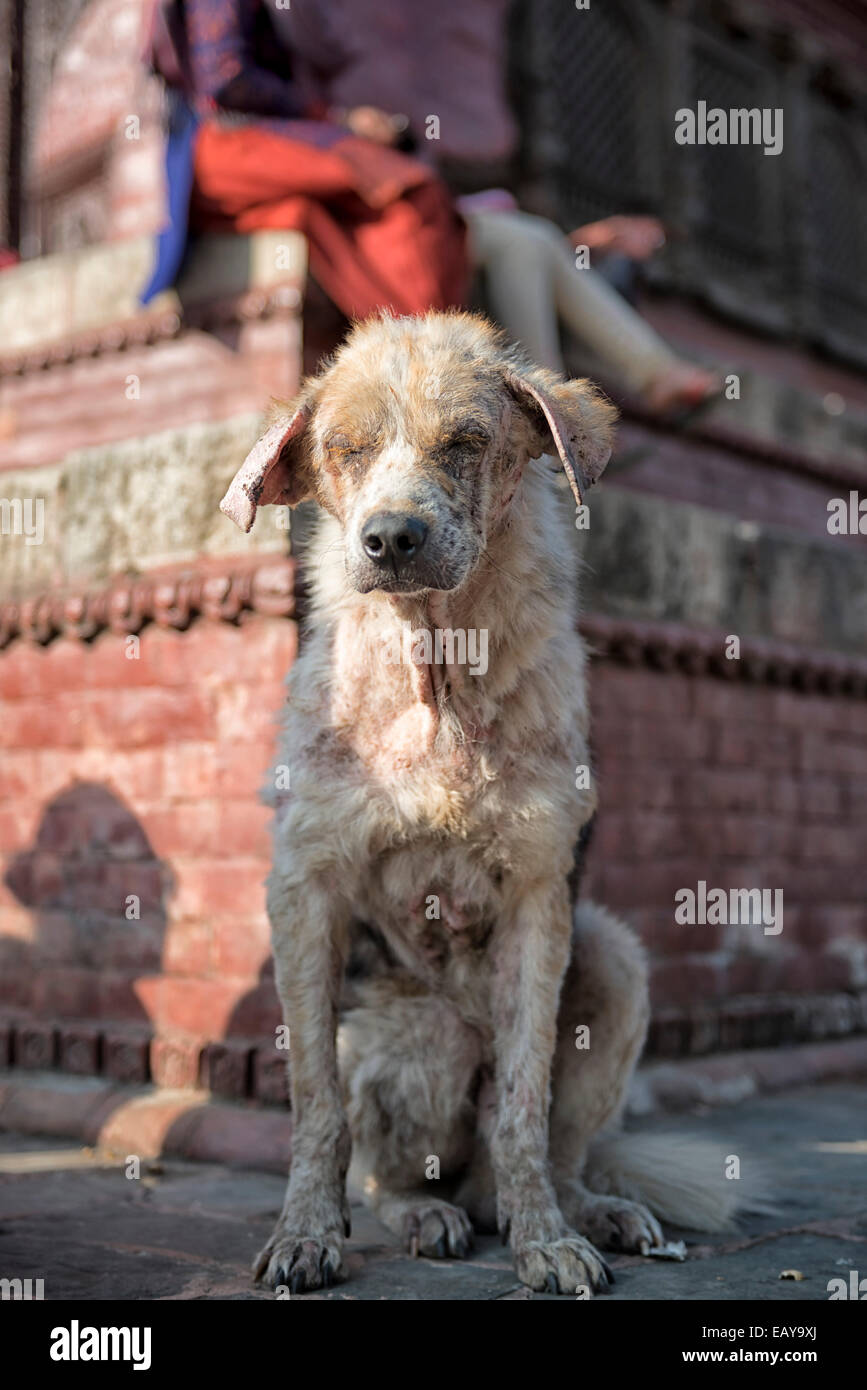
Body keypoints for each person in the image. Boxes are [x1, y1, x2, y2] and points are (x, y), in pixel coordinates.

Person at [276, 0, 719, 416]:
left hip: (421, 211)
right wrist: (345, 125)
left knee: (533, 240)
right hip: (368, 219)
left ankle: (581, 392)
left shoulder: (353, 67)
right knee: (527, 243)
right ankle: (553, 402)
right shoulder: (293, 68)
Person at [140, 0, 468, 320]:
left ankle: (415, 338)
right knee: (412, 191)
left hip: (244, 148)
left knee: (333, 214)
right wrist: (338, 119)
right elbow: (225, 80)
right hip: (226, 148)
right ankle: (424, 342)